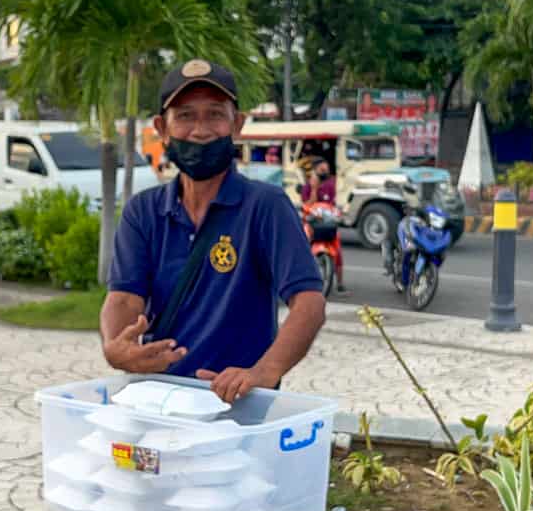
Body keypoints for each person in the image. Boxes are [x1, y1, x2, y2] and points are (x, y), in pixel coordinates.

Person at [100, 59, 327, 403]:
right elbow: (123, 298)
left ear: (237, 124)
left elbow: (309, 303)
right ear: (162, 127)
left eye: (215, 115)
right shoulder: (142, 212)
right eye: (186, 116)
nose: (201, 130)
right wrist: (117, 346)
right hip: (159, 401)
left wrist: (264, 371)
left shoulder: (266, 206)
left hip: (239, 405)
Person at [300, 158, 348, 294]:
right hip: (312, 224)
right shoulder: (307, 187)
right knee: (303, 244)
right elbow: (307, 204)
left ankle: (340, 283)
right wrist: (314, 189)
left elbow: (334, 204)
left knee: (337, 251)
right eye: (321, 170)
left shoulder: (331, 185)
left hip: (328, 224)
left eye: (326, 170)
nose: (325, 172)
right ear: (314, 171)